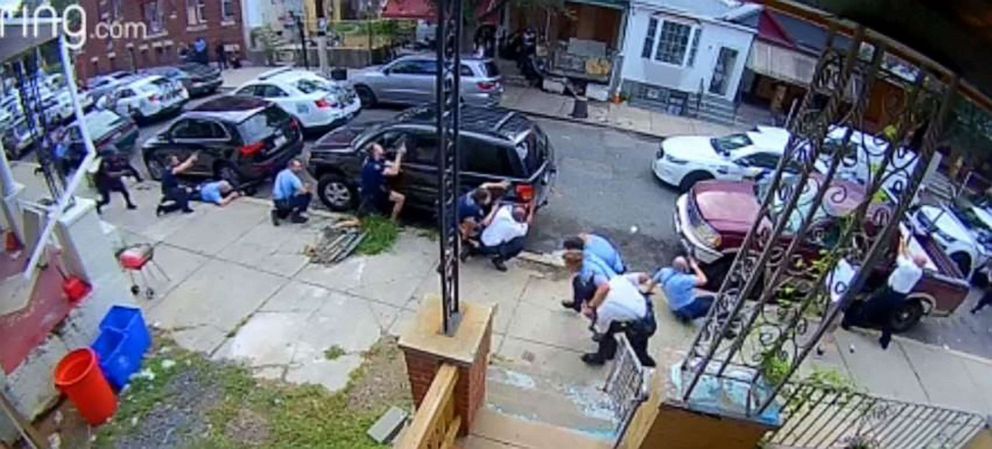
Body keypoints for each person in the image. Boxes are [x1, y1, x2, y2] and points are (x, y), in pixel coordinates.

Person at [842, 237, 926, 349]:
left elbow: (900, 256)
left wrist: (901, 244)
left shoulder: (907, 267)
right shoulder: (919, 271)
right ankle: (885, 341)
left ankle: (849, 322)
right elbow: (909, 257)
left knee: (870, 306)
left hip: (890, 292)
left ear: (916, 261)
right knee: (888, 317)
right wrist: (906, 247)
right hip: (900, 296)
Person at [578, 272, 657, 367]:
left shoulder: (603, 311)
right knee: (616, 329)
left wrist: (591, 316)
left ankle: (603, 356)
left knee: (635, 347)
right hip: (646, 309)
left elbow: (603, 332)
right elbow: (640, 277)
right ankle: (608, 353)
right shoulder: (616, 281)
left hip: (643, 325)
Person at [646, 256, 715, 322]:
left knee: (708, 298)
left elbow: (653, 281)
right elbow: (704, 280)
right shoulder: (685, 279)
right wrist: (695, 267)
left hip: (675, 308)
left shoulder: (664, 271)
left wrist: (648, 291)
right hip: (686, 310)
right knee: (713, 302)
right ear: (685, 267)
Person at [479, 200, 535, 272]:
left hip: (482, 238)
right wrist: (531, 210)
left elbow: (501, 205)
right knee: (520, 243)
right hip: (492, 248)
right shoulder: (518, 228)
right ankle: (499, 259)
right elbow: (529, 222)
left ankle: (472, 247)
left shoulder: (503, 212)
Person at [458, 181, 510, 254]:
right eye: (488, 198)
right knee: (479, 230)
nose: (490, 198)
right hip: (458, 221)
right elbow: (484, 222)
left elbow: (485, 185)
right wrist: (494, 209)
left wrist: (500, 185)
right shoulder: (474, 210)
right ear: (481, 201)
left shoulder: (475, 192)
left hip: (457, 207)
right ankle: (470, 247)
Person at [359, 143, 406, 222]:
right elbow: (395, 172)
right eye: (379, 147)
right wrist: (399, 155)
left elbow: (390, 164)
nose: (382, 147)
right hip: (377, 193)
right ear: (375, 151)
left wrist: (394, 164)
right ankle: (392, 221)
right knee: (400, 198)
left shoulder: (370, 160)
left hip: (366, 192)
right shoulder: (376, 166)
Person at [94, 149, 141, 214]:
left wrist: (136, 176)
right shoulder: (104, 164)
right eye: (112, 156)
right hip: (103, 182)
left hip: (115, 180)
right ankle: (98, 205)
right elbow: (110, 175)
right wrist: (122, 173)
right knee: (106, 200)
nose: (114, 157)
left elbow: (128, 167)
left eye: (114, 155)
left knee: (125, 192)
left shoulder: (119, 159)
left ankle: (129, 204)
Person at [272, 158, 312, 225]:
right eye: (298, 167)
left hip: (276, 199)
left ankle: (278, 213)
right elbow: (304, 191)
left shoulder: (281, 173)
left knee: (284, 214)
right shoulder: (293, 178)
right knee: (307, 195)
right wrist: (307, 187)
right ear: (292, 167)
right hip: (286, 201)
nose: (300, 169)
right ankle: (296, 215)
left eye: (301, 166)